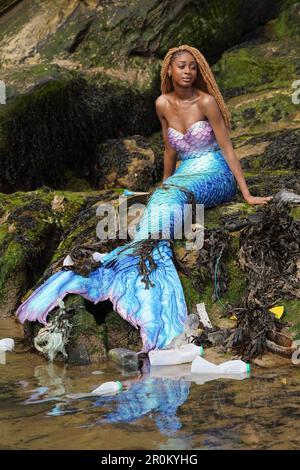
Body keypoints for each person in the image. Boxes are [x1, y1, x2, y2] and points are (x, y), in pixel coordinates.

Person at [15, 44, 273, 354]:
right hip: (185, 172)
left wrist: (246, 192)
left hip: (215, 172)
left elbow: (228, 149)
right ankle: (131, 261)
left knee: (172, 196)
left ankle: (141, 271)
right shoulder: (162, 103)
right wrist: (163, 187)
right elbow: (169, 150)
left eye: (193, 66)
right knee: (163, 198)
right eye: (182, 66)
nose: (188, 71)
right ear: (169, 70)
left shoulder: (206, 102)